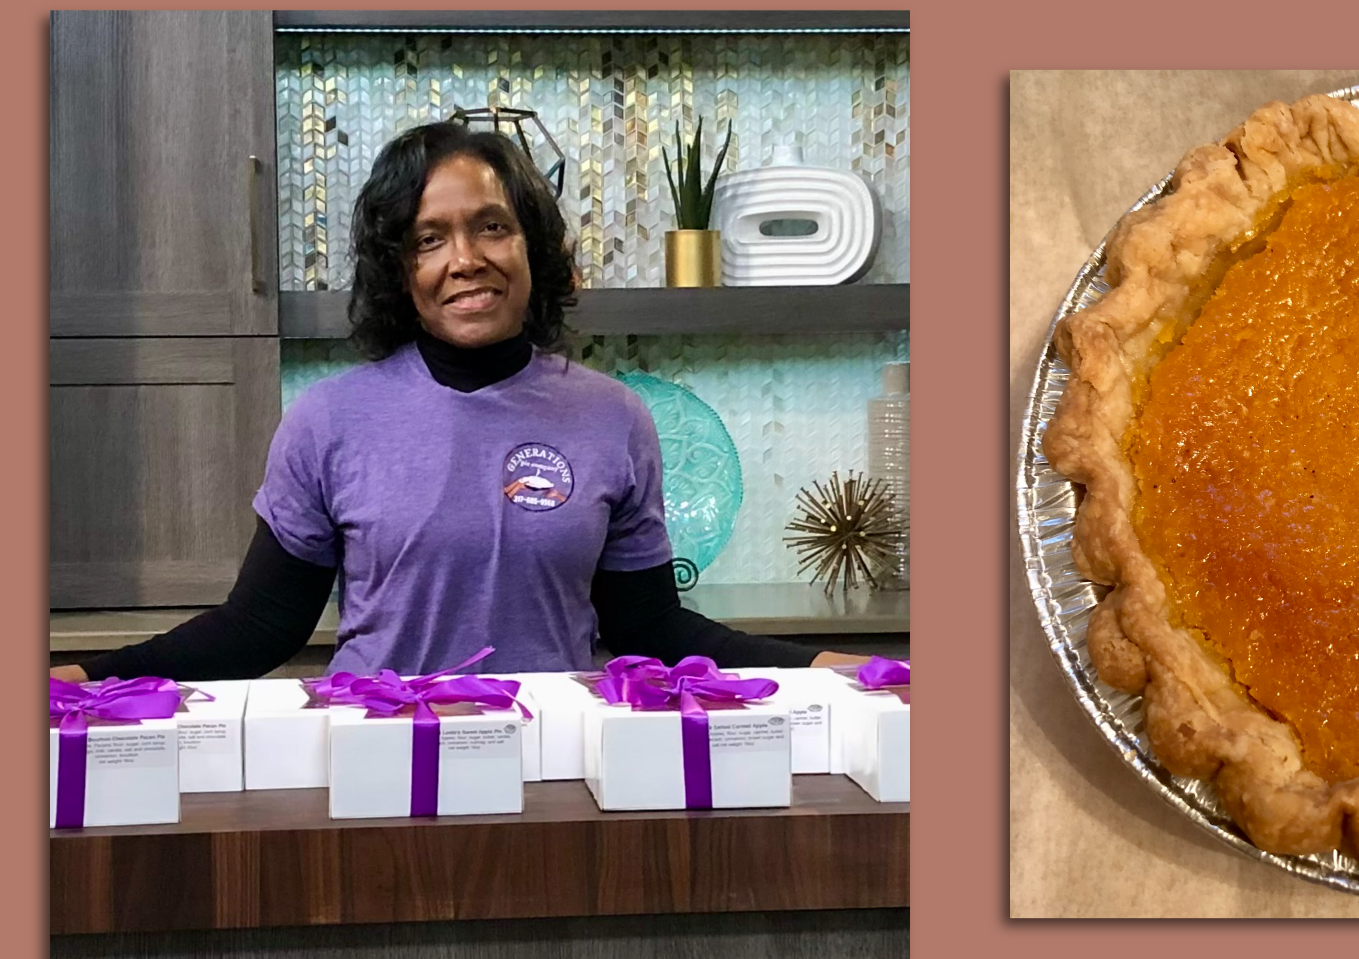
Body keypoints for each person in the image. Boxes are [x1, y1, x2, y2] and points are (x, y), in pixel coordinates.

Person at [52, 121, 862, 684]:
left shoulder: (616, 418)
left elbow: (652, 631)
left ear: (534, 248)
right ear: (399, 271)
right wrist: (82, 676)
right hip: (380, 759)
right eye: (429, 238)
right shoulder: (327, 422)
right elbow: (258, 628)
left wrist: (826, 667)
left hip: (555, 758)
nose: (465, 259)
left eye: (491, 227)